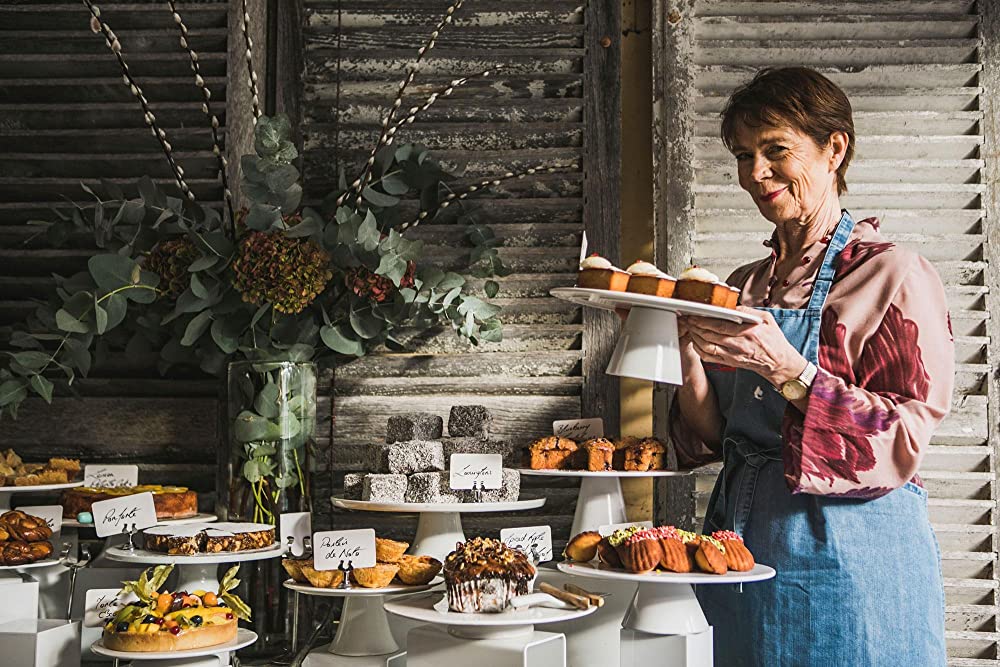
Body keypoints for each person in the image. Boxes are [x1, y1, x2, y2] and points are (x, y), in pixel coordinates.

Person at [669, 67, 953, 665]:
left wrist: (790, 372)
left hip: (850, 552)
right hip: (739, 543)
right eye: (744, 156)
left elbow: (903, 438)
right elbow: (713, 436)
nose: (756, 174)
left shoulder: (893, 273)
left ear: (834, 149)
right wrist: (682, 348)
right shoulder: (743, 284)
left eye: (776, 151)